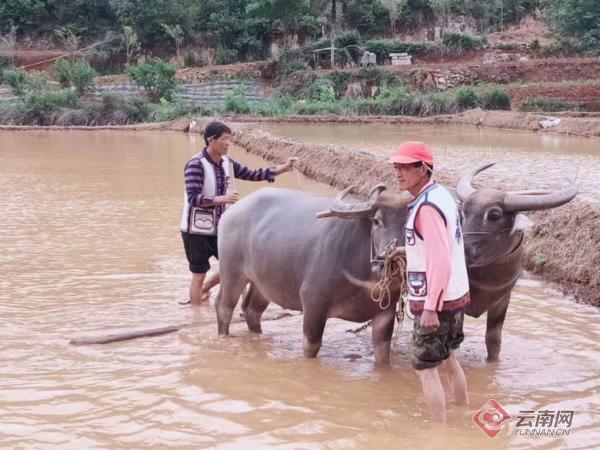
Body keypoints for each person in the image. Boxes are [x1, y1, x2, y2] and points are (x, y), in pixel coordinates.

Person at [387, 141, 470, 422]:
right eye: (396, 166)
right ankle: (462, 414)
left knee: (426, 370)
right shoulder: (441, 194)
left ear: (422, 169)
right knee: (449, 359)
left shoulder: (426, 208)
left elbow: (441, 261)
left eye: (405, 167)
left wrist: (431, 308)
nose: (398, 172)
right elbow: (440, 246)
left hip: (437, 302)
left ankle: (439, 434)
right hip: (456, 295)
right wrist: (408, 250)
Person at [180, 121, 297, 305]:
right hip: (196, 231)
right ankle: (196, 318)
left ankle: (212, 294)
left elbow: (252, 174)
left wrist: (283, 167)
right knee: (198, 274)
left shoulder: (227, 163)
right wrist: (222, 199)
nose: (228, 144)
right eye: (224, 140)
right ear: (211, 140)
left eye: (229, 140)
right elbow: (193, 198)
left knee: (239, 266)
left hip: (223, 228)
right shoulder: (196, 165)